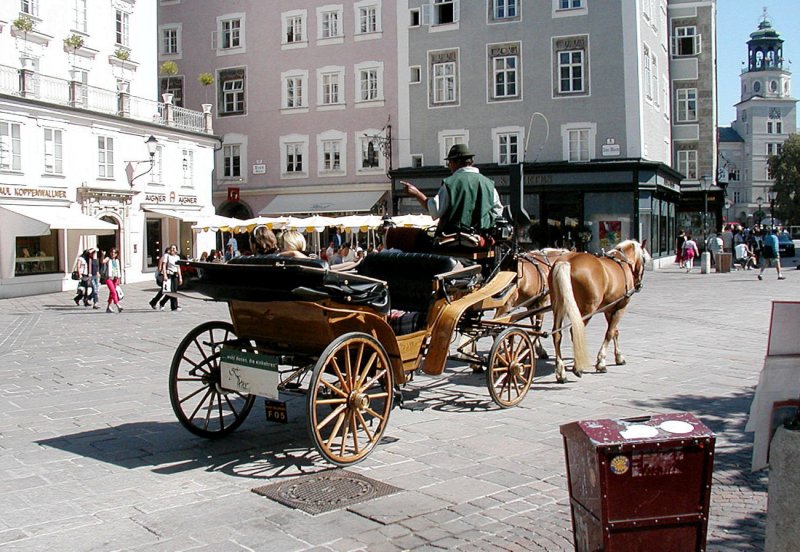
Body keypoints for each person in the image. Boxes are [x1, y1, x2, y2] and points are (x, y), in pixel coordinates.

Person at [401, 143, 503, 240]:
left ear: (457, 162)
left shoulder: (451, 183)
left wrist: (416, 193)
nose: (448, 166)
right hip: (482, 239)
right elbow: (498, 212)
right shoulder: (489, 184)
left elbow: (435, 210)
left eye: (449, 162)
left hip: (454, 240)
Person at [161, 244, 183, 310]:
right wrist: (165, 275)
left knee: (174, 291)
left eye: (174, 248)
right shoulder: (167, 256)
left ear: (176, 250)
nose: (172, 249)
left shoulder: (177, 257)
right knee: (170, 291)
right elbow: (164, 266)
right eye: (171, 248)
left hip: (175, 275)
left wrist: (180, 277)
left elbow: (178, 267)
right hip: (169, 275)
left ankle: (162, 302)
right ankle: (174, 307)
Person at [103, 248, 123, 313]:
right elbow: (102, 261)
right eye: (112, 252)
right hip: (108, 278)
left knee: (112, 293)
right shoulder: (108, 259)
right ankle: (117, 305)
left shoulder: (117, 260)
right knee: (113, 291)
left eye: (114, 252)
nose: (113, 253)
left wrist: (118, 279)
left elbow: (118, 270)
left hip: (115, 278)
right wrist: (103, 255)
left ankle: (108, 307)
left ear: (116, 254)